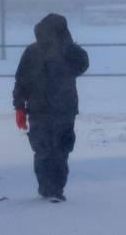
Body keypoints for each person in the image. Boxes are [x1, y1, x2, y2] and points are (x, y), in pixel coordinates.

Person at [12, 13, 89, 202]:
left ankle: (50, 188)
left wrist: (20, 106)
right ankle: (53, 189)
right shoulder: (45, 52)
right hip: (56, 108)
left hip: (47, 108)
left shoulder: (60, 52)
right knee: (56, 150)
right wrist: (19, 106)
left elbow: (21, 81)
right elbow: (22, 80)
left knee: (47, 150)